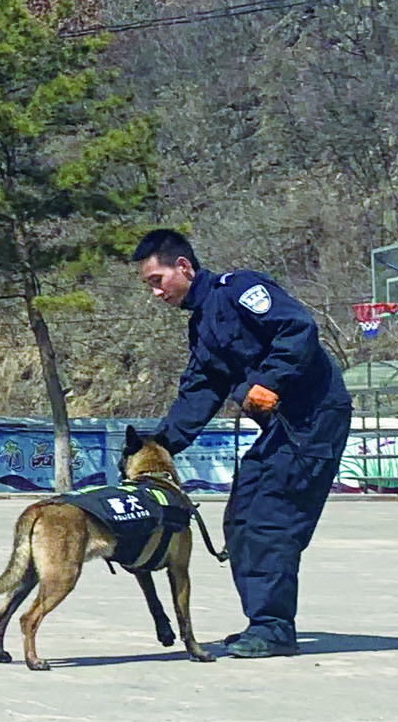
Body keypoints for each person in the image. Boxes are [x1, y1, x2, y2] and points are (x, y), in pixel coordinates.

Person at [131, 227, 352, 658]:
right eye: (148, 286)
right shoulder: (204, 325)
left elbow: (298, 328)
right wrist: (158, 447)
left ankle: (274, 629)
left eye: (156, 281)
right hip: (283, 428)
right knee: (243, 516)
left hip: (314, 420)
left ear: (183, 266)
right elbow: (200, 391)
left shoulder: (241, 290)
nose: (155, 294)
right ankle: (263, 622)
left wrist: (270, 380)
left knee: (271, 518)